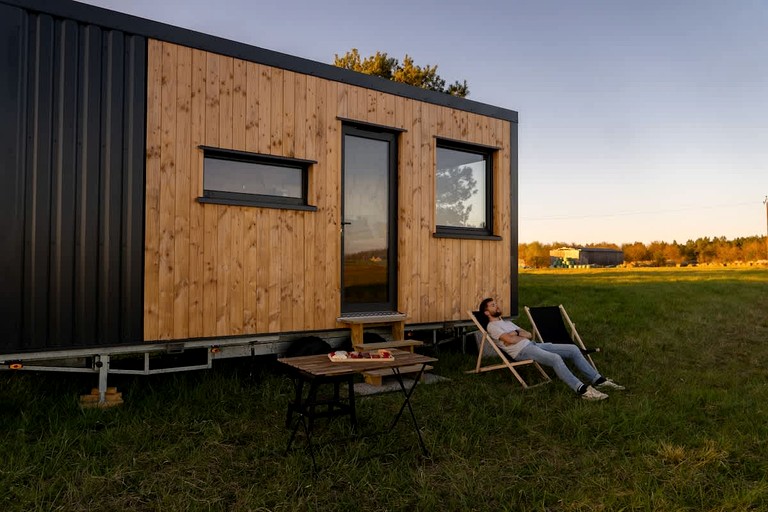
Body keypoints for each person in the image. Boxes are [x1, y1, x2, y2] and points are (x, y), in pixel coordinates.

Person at [479, 298, 624, 401]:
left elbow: (528, 334)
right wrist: (517, 335)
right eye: (493, 305)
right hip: (522, 351)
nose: (497, 306)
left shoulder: (507, 322)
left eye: (496, 304)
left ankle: (598, 380)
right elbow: (509, 341)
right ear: (486, 312)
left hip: (533, 344)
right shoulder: (492, 327)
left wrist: (516, 334)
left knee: (573, 349)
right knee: (555, 358)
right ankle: (582, 390)